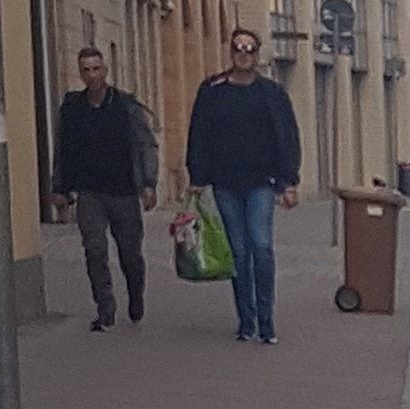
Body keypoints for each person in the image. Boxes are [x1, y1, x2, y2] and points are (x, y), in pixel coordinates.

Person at [184, 26, 301, 343]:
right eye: (238, 48)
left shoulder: (271, 94)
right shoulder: (212, 91)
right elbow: (199, 135)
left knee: (261, 247)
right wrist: (197, 177)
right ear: (231, 52)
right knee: (238, 251)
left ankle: (267, 319)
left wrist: (289, 182)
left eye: (250, 49)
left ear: (257, 54)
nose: (244, 54)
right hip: (226, 184)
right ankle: (246, 320)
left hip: (261, 184)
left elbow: (287, 138)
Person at [50, 48, 159, 328]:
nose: (91, 75)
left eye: (96, 69)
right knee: (95, 250)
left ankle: (136, 296)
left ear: (105, 71)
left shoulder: (125, 106)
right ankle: (105, 308)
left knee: (130, 254)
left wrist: (148, 183)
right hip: (90, 193)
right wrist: (60, 187)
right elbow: (63, 149)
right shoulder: (73, 108)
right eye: (86, 70)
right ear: (80, 72)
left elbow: (145, 144)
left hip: (123, 191)